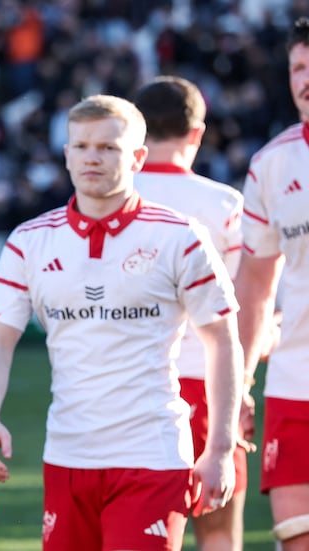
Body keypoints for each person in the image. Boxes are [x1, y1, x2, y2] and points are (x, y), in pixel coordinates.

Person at [0, 94, 243, 550]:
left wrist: (219, 448)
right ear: (65, 154)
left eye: (108, 147)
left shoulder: (179, 236)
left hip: (153, 455)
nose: (92, 158)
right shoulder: (30, 241)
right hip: (66, 455)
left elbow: (222, 340)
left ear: (138, 156)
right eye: (80, 146)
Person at [132, 75, 250, 551]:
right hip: (210, 381)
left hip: (133, 386)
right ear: (196, 133)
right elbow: (241, 309)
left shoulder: (108, 199)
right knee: (219, 534)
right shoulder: (224, 204)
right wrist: (242, 390)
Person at [234, 16, 309, 551]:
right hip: (294, 380)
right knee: (295, 538)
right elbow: (255, 287)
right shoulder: (272, 164)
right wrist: (238, 383)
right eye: (298, 67)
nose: (305, 78)